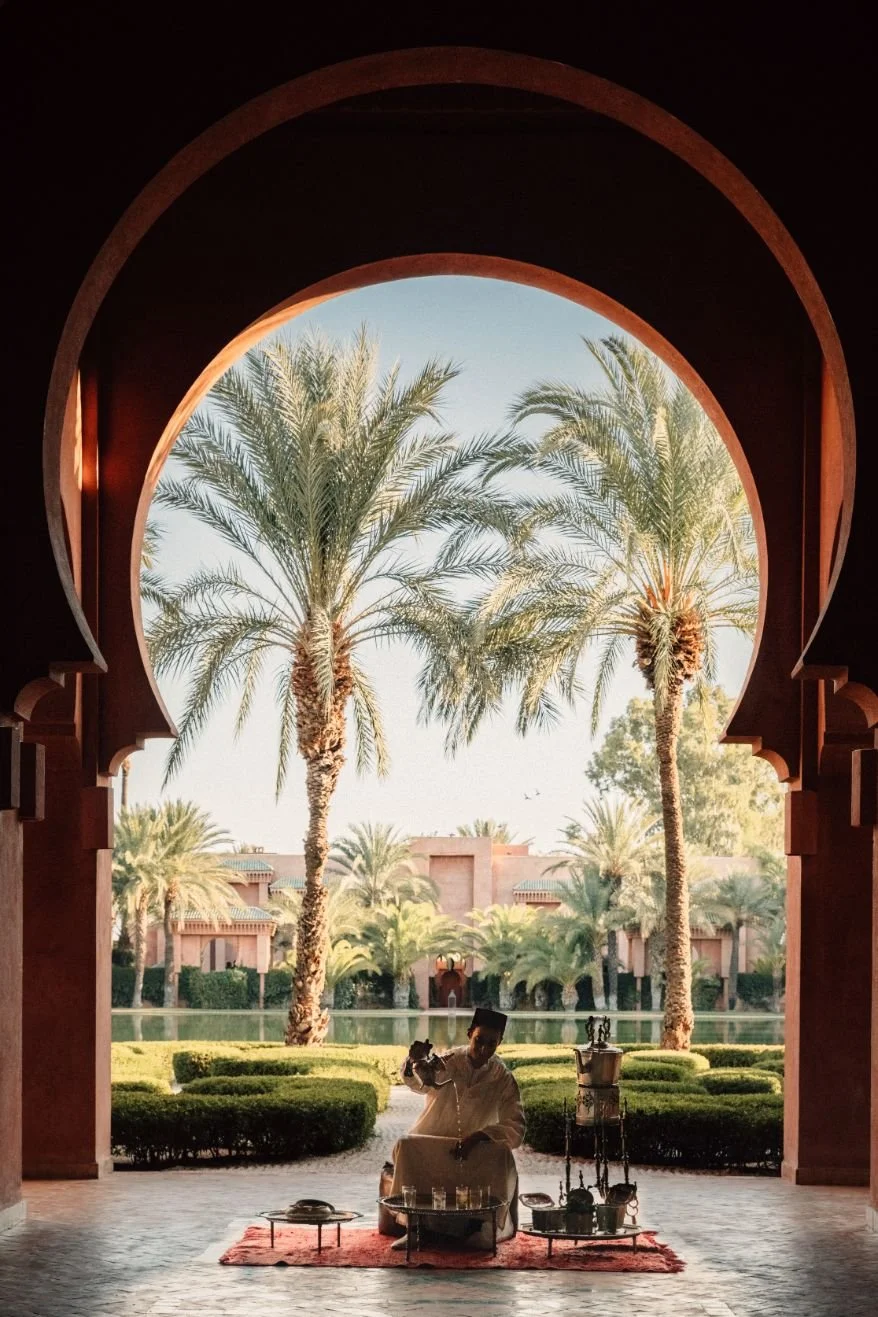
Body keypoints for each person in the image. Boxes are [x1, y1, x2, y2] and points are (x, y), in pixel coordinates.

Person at [387, 1007, 524, 1250]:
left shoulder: (502, 1078)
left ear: (500, 1043)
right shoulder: (448, 1062)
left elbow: (516, 1126)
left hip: (475, 1151)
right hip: (434, 1142)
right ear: (469, 1033)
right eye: (479, 1040)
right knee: (406, 1146)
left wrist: (480, 1137)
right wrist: (413, 1061)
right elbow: (417, 1083)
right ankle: (415, 1228)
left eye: (491, 1044)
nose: (483, 1049)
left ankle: (480, 1228)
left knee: (503, 1156)